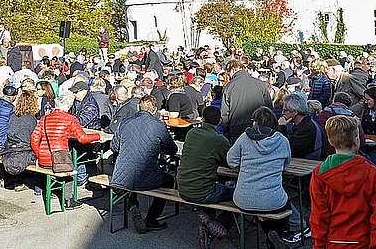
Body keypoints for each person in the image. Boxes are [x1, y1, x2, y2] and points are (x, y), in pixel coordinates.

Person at [310, 115, 376, 249]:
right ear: (356, 140)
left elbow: (318, 217)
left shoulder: (319, 174)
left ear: (329, 140)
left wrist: (319, 245)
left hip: (333, 242)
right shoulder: (373, 173)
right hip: (364, 242)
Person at [227, 106, 292, 248]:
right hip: (273, 201)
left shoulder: (244, 138)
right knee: (283, 201)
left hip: (243, 200)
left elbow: (231, 161)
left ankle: (270, 231)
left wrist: (244, 167)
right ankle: (279, 232)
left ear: (255, 122)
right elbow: (285, 167)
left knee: (262, 204)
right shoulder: (282, 140)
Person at [110, 95, 177, 233]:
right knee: (169, 180)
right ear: (154, 110)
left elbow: (114, 146)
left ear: (138, 107)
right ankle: (151, 219)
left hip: (121, 176)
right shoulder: (158, 126)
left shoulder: (125, 122)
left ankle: (132, 204)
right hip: (146, 175)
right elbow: (172, 149)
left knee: (130, 180)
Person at [30, 94, 100, 209]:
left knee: (56, 169)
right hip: (59, 161)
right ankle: (69, 200)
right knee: (70, 173)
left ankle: (48, 190)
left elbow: (34, 138)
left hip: (43, 160)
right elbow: (83, 138)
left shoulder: (44, 118)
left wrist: (39, 154)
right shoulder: (70, 119)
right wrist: (97, 136)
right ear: (68, 106)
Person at [177, 106, 233, 249]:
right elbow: (230, 163)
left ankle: (208, 219)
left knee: (211, 184)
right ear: (219, 121)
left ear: (203, 119)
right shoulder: (219, 140)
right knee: (238, 197)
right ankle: (216, 226)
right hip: (203, 192)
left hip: (182, 187)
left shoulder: (191, 133)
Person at [278, 92, 322, 242]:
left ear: (295, 112)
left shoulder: (308, 128)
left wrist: (281, 128)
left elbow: (290, 148)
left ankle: (299, 225)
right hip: (300, 168)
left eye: (285, 110)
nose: (282, 113)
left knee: (277, 190)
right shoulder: (303, 124)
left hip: (306, 171)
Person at [221, 59, 273, 142]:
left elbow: (224, 113)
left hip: (236, 128)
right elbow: (269, 107)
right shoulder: (259, 83)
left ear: (233, 69)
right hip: (259, 125)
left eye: (228, 72)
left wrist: (226, 131)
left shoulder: (229, 87)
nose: (228, 75)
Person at [1, 91, 39, 191]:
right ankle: (24, 181)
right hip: (24, 153)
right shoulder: (31, 119)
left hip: (11, 150)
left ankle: (11, 181)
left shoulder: (13, 116)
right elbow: (34, 139)